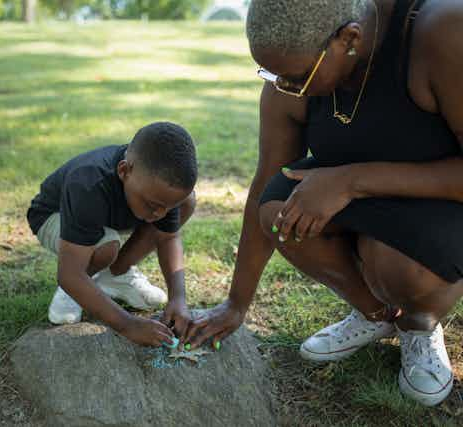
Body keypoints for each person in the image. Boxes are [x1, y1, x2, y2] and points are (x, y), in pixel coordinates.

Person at [185, 0, 463, 406]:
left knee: (398, 270)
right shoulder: (291, 73)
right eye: (272, 75)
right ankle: (377, 316)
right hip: (360, 199)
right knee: (277, 211)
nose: (283, 88)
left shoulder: (439, 31)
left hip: (439, 202)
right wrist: (235, 304)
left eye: (295, 78)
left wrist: (350, 181)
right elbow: (267, 178)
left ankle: (419, 324)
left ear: (348, 39)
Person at [27, 121, 198, 347]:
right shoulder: (88, 184)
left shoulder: (153, 186)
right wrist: (129, 325)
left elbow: (167, 237)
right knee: (105, 247)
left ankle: (114, 275)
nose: (160, 214)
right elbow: (68, 274)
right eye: (153, 204)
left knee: (186, 202)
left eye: (167, 207)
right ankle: (78, 288)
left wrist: (178, 298)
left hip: (107, 215)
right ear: (124, 170)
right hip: (53, 216)